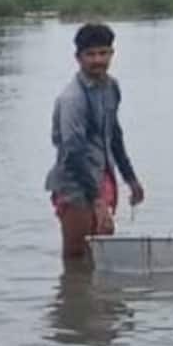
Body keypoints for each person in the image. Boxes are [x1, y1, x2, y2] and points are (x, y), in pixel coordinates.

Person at [47, 22, 146, 264]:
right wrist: (96, 200)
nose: (98, 60)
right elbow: (73, 153)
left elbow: (114, 135)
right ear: (78, 58)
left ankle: (96, 301)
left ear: (112, 54)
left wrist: (130, 179)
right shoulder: (73, 98)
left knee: (101, 254)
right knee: (76, 255)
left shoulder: (111, 87)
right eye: (90, 55)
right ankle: (72, 299)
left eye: (103, 53)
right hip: (75, 182)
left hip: (102, 176)